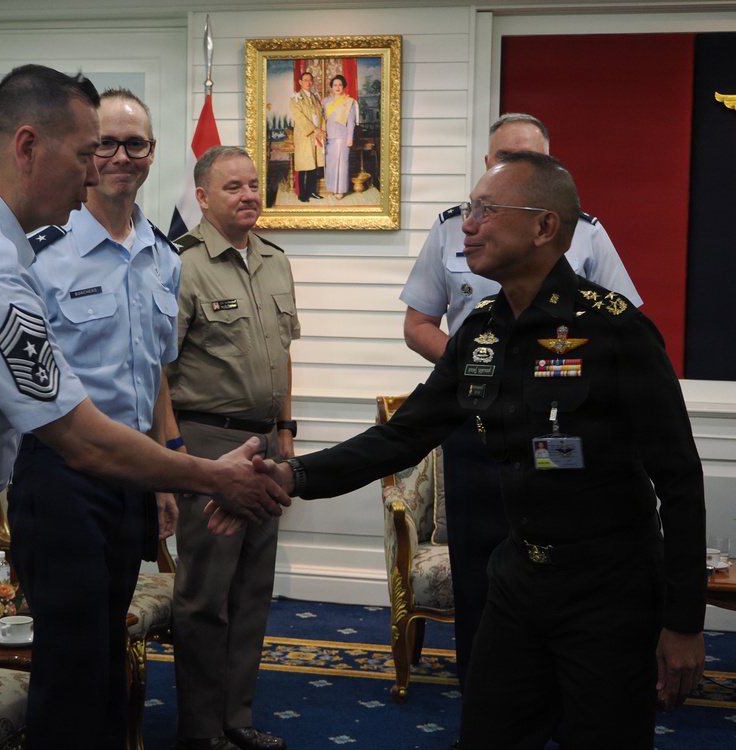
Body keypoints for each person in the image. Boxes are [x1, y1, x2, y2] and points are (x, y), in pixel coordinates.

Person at [0, 66, 288, 750]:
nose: (95, 173)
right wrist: (215, 478)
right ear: (28, 146)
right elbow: (81, 439)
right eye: (85, 154)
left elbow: (141, 372)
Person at [242, 151, 706, 750]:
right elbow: (403, 435)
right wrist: (293, 475)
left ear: (544, 227)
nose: (468, 225)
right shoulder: (482, 330)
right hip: (517, 581)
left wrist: (684, 621)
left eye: (487, 211)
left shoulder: (616, 330)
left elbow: (680, 480)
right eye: (469, 210)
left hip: (608, 590)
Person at [399, 112, 643, 703]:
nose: (512, 169)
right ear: (486, 164)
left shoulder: (584, 232)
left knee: (553, 573)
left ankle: (556, 713)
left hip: (557, 436)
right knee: (480, 575)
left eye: (529, 161)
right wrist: (478, 374)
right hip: (473, 429)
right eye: (503, 158)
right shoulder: (452, 229)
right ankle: (483, 710)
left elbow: (626, 326)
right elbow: (418, 324)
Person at [6, 88, 181, 750]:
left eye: (134, 144)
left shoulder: (164, 257)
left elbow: (157, 372)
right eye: (105, 143)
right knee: (71, 658)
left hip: (130, 473)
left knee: (111, 644)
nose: (119, 157)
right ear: (85, 153)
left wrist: (165, 468)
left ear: (151, 154)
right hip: (61, 476)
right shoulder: (40, 252)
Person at [164, 145, 300, 750]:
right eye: (232, 187)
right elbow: (155, 373)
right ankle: (200, 732)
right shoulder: (180, 265)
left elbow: (284, 355)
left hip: (267, 442)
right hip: (207, 441)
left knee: (251, 590)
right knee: (205, 597)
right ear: (202, 197)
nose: (249, 195)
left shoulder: (275, 260)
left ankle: (236, 721)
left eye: (254, 184)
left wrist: (288, 431)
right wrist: (172, 455)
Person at [289, 70, 324, 202]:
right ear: (300, 82)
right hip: (305, 135)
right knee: (303, 164)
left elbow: (321, 115)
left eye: (310, 80)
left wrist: (322, 130)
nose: (308, 83)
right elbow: (299, 117)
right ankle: (302, 193)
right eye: (305, 80)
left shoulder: (315, 97)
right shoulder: (295, 99)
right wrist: (313, 129)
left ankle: (312, 191)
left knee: (313, 164)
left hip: (316, 135)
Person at [321, 74, 357, 199]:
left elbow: (351, 121)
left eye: (340, 85)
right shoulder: (325, 101)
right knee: (331, 163)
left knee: (342, 163)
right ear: (331, 87)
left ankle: (340, 190)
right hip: (329, 136)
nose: (337, 87)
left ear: (344, 86)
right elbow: (321, 119)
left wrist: (350, 137)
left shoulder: (349, 102)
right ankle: (332, 187)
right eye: (335, 85)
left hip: (342, 136)